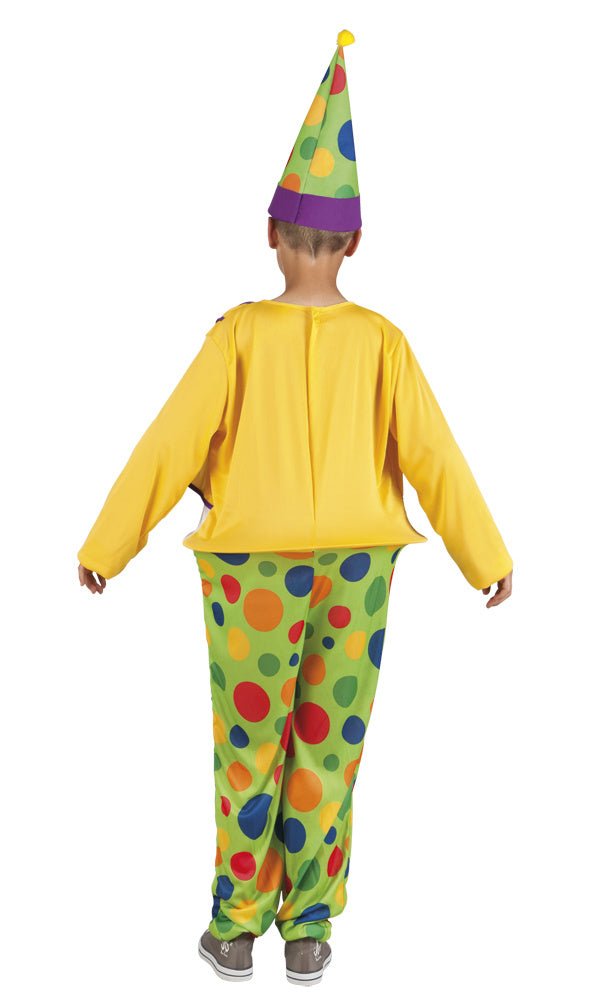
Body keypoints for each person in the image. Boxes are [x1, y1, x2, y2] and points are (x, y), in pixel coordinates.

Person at [77, 29, 513, 987]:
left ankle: (236, 928)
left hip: (252, 575)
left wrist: (109, 544)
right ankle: (309, 928)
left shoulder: (237, 336)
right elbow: (434, 456)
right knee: (328, 748)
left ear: (270, 234)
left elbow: (168, 446)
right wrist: (485, 556)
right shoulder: (384, 342)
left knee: (250, 748)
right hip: (358, 573)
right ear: (355, 242)